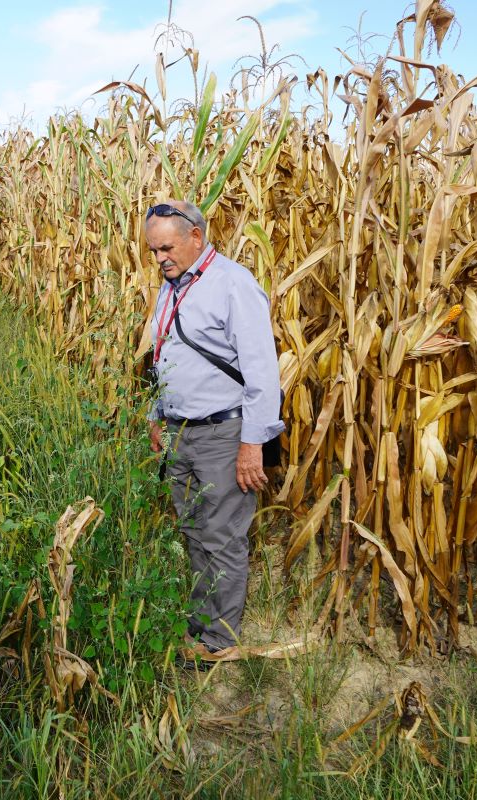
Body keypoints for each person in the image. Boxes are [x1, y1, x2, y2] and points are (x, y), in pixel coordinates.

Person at [144, 200, 283, 665]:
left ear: (196, 237)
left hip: (224, 434)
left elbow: (262, 371)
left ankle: (220, 642)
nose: (160, 257)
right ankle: (202, 625)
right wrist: (156, 412)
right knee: (194, 531)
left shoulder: (233, 284)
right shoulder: (172, 286)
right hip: (181, 433)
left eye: (167, 247)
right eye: (154, 250)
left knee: (222, 535)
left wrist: (252, 445)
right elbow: (164, 353)